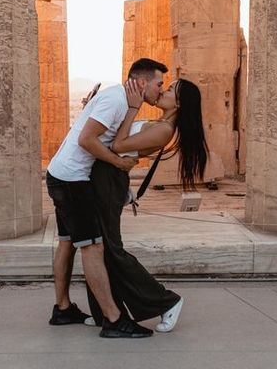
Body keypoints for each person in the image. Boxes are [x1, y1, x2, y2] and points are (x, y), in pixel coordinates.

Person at [46, 58, 168, 338]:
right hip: (72, 180)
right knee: (93, 247)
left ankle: (63, 309)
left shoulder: (120, 100)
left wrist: (134, 111)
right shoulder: (115, 100)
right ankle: (113, 319)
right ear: (141, 82)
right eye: (158, 84)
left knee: (68, 243)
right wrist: (117, 162)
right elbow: (86, 140)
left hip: (63, 174)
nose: (160, 90)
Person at [87, 78, 209, 333]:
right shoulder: (159, 123)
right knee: (99, 247)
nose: (163, 91)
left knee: (110, 248)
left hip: (110, 179)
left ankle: (167, 301)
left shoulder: (164, 129)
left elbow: (118, 145)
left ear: (179, 102)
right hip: (105, 177)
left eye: (170, 89)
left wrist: (132, 109)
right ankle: (104, 311)